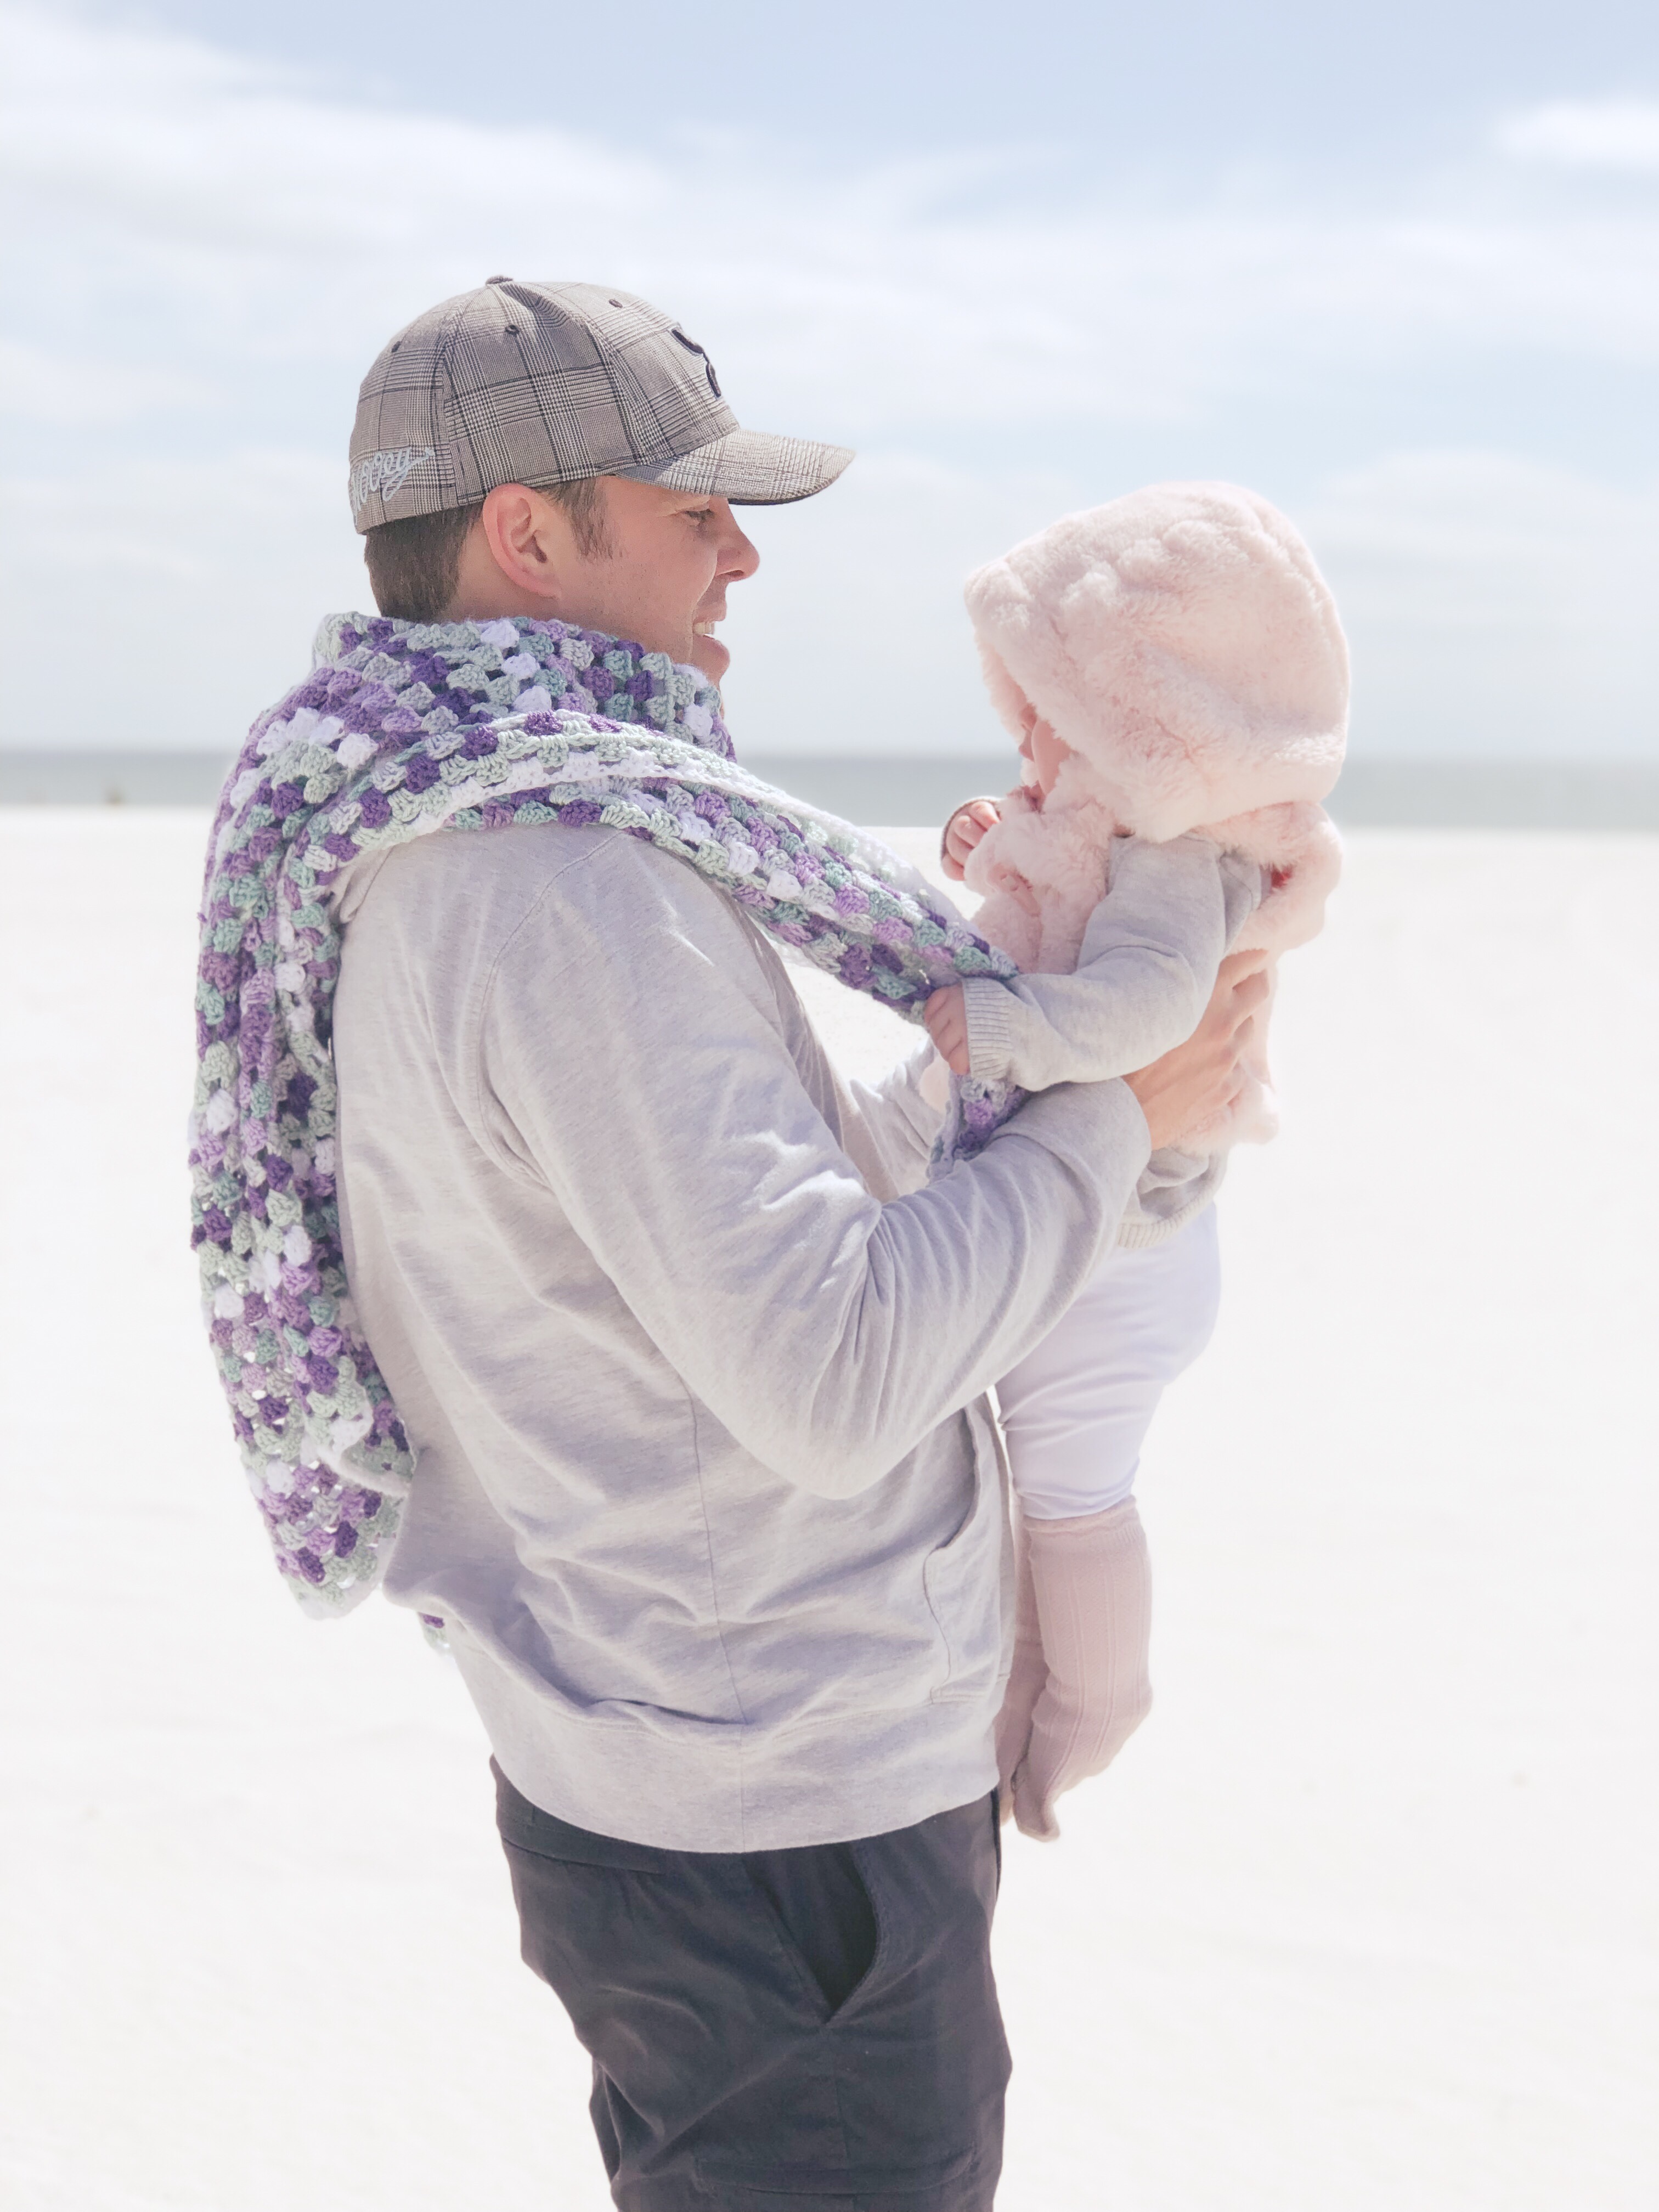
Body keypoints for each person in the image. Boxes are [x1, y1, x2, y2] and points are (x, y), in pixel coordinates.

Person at [317, 282, 1263, 2211]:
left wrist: (999, 1090)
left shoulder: (454, 823)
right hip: (774, 1834)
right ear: (528, 535)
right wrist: (1119, 1120)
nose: (740, 557)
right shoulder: (561, 883)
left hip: (695, 1783)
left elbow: (721, 1243)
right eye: (693, 511)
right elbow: (833, 1378)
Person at [926, 483, 1348, 1844]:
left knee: (1071, 1499)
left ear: (1146, 720)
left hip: (1123, 1252)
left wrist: (1009, 1028)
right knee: (1037, 1498)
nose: (1025, 734)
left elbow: (1150, 1005)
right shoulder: (1126, 819)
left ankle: (1087, 1720)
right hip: (1121, 1227)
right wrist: (992, 837)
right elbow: (1055, 884)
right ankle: (1016, 1723)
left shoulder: (1176, 860)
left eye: (1049, 707)